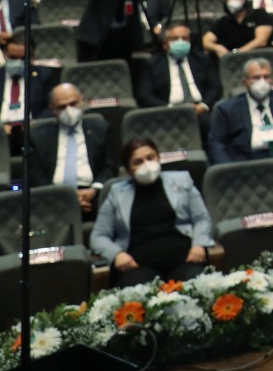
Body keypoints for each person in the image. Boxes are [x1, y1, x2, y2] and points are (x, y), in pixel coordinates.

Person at [90, 136, 213, 286]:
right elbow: (99, 235)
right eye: (138, 162)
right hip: (138, 266)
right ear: (128, 170)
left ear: (158, 158)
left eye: (150, 157)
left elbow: (201, 218)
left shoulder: (182, 181)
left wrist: (199, 244)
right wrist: (117, 254)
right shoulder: (116, 193)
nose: (147, 165)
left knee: (201, 286)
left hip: (185, 260)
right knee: (137, 293)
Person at [206, 59, 273, 171]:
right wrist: (229, 171)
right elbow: (216, 144)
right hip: (246, 164)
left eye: (266, 77)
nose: (262, 82)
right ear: (245, 82)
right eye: (256, 78)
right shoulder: (227, 109)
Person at [27, 83, 113, 215]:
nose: (69, 110)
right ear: (51, 108)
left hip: (93, 195)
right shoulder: (38, 137)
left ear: (82, 100)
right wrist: (62, 198)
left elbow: (110, 166)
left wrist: (95, 189)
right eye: (62, 107)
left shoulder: (101, 129)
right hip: (52, 199)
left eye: (73, 104)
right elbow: (36, 176)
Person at [134, 25, 221, 119]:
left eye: (185, 38)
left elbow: (215, 87)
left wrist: (204, 106)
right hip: (167, 113)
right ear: (165, 44)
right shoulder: (152, 64)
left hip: (200, 111)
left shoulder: (202, 60)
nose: (181, 42)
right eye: (175, 39)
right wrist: (168, 109)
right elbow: (144, 95)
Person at [201, 0, 273, 57]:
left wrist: (237, 54)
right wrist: (216, 48)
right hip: (234, 61)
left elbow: (261, 41)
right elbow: (206, 40)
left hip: (260, 57)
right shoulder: (224, 21)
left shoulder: (259, 14)